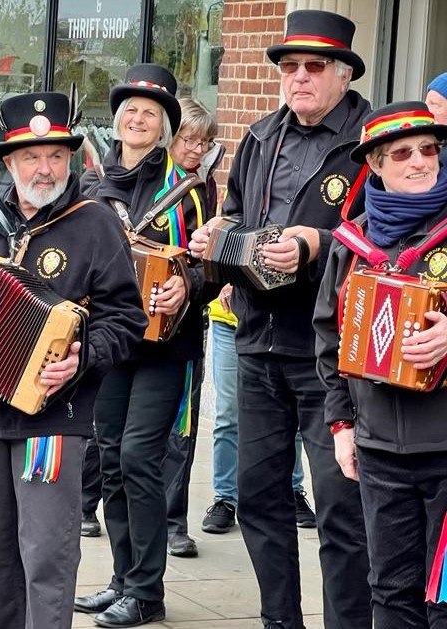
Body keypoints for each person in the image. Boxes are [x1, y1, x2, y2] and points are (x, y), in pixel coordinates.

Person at [0, 90, 147, 629]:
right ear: (9, 161)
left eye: (55, 156)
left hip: (52, 418)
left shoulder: (94, 223)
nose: (44, 169)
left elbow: (127, 319)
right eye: (31, 156)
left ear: (70, 159)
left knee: (47, 552)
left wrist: (81, 356)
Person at [188, 10, 373, 629]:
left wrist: (317, 246)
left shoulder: (370, 141)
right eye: (288, 67)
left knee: (342, 509)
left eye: (313, 67)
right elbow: (237, 210)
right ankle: (279, 621)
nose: (298, 78)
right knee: (259, 499)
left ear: (343, 73)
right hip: (257, 342)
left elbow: (392, 236)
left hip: (332, 356)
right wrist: (220, 232)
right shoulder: (262, 134)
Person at [73, 64, 211, 628]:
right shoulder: (90, 188)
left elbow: (208, 262)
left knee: (138, 457)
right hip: (109, 344)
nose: (137, 118)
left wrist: (189, 283)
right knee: (108, 460)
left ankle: (147, 591)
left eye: (149, 114)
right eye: (130, 109)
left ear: (164, 127)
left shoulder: (188, 189)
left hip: (165, 346)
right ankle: (122, 578)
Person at [315, 101, 447, 629]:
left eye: (429, 149)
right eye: (402, 153)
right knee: (390, 593)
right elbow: (328, 339)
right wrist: (342, 425)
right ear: (374, 164)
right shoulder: (351, 244)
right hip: (378, 451)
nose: (419, 161)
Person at [160, 97, 223, 559]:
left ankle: (174, 521)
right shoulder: (149, 180)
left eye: (205, 142)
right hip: (140, 316)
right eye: (188, 139)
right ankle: (88, 502)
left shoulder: (204, 188)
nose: (196, 149)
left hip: (188, 318)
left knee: (183, 421)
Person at [200, 289, 317, 535]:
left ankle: (293, 490)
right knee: (227, 416)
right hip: (228, 320)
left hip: (280, 322)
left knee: (291, 418)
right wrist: (227, 280)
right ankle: (225, 498)